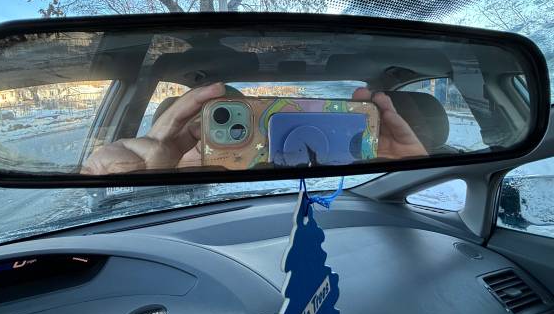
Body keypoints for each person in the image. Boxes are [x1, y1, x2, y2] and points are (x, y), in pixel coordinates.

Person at [82, 83, 427, 175]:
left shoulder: (320, 184)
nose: (221, 149)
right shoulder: (155, 179)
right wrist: (128, 182)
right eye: (200, 135)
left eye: (248, 135)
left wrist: (405, 170)